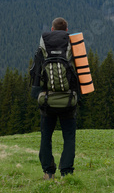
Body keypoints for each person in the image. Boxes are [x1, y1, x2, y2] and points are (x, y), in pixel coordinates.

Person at [30, 17, 78, 180]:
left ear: (52, 29)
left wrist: (35, 94)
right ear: (66, 30)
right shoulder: (72, 43)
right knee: (69, 137)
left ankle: (48, 172)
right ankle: (66, 173)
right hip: (68, 100)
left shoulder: (43, 45)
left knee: (46, 136)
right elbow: (81, 71)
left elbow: (36, 71)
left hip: (47, 100)